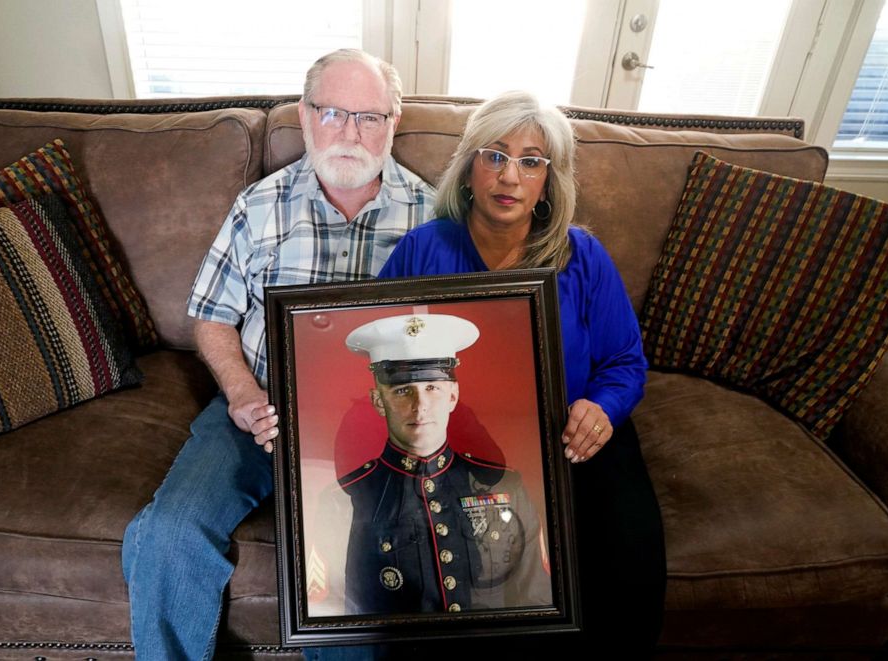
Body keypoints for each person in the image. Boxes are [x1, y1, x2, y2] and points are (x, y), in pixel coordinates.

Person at [120, 48, 435, 661]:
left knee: (344, 575)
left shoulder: (430, 215)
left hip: (368, 429)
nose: (350, 133)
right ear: (304, 113)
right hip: (257, 409)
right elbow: (211, 317)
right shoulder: (260, 206)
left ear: (393, 122)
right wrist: (241, 395)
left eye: (370, 117)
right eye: (334, 113)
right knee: (165, 534)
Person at [376, 91, 667, 654]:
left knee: (628, 555)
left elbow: (625, 363)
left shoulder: (582, 255)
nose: (511, 176)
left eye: (531, 161)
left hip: (571, 435)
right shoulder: (422, 249)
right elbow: (379, 343)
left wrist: (602, 409)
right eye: (495, 156)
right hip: (459, 442)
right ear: (468, 171)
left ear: (547, 182)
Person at [307, 313, 551, 617]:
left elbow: (536, 603)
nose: (420, 405)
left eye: (432, 388)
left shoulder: (505, 486)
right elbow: (335, 621)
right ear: (378, 401)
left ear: (453, 395)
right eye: (401, 390)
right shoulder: (344, 501)